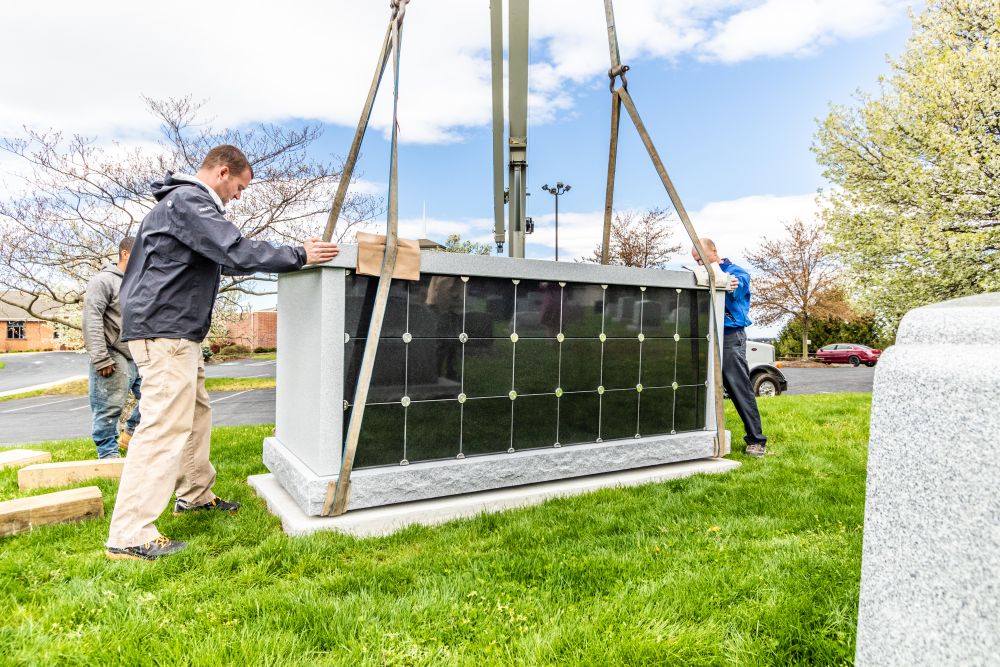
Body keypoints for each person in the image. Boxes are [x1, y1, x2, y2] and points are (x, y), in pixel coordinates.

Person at [105, 145, 340, 561]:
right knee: (163, 427)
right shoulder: (189, 201)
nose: (238, 196)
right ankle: (129, 533)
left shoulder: (178, 206)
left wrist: (285, 258)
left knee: (194, 415)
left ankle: (195, 494)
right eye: (239, 187)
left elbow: (224, 262)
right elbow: (235, 249)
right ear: (223, 172)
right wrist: (300, 254)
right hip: (166, 330)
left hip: (175, 330)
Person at [691, 238, 768, 458]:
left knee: (737, 386)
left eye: (701, 259)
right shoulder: (699, 274)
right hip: (705, 335)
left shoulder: (737, 272)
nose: (699, 265)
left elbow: (738, 285)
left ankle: (756, 440)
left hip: (730, 336)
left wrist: (729, 282)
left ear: (714, 251)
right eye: (696, 261)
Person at [82, 236, 142, 459]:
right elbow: (92, 318)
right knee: (109, 408)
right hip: (112, 354)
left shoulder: (138, 282)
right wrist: (100, 358)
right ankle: (107, 455)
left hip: (139, 353)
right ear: (125, 254)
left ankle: (131, 433)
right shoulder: (104, 281)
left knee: (158, 398)